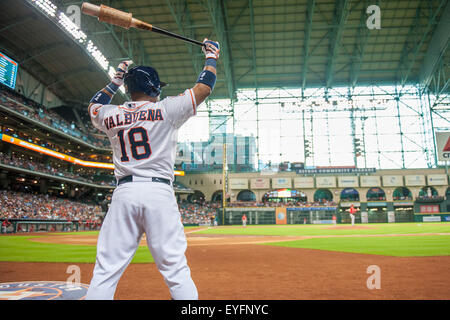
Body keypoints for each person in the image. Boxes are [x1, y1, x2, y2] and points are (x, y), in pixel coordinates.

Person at [85, 38, 220, 300]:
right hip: (158, 192)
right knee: (176, 270)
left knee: (105, 271)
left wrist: (115, 81)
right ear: (154, 88)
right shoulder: (165, 109)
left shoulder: (111, 114)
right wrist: (211, 57)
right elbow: (204, 88)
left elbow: (93, 106)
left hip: (124, 193)